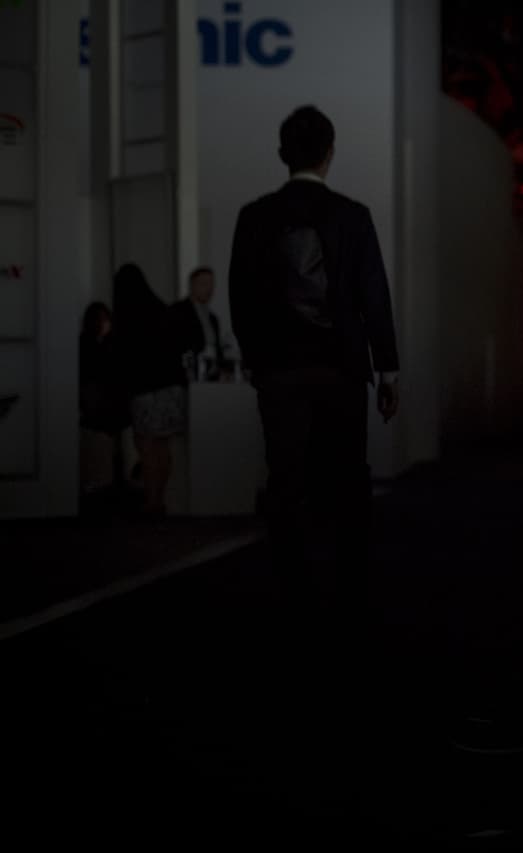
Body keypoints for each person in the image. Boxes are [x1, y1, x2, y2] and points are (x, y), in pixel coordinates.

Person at [229, 104, 400, 630]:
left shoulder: (255, 216)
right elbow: (374, 293)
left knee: (286, 481)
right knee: (348, 479)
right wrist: (386, 369)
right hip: (342, 369)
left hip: (280, 371)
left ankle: (294, 592)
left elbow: (241, 298)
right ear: (329, 153)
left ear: (284, 154)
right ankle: (350, 590)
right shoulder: (353, 216)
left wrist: (258, 360)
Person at [112, 264, 203, 517]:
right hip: (172, 390)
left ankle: (152, 501)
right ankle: (159, 498)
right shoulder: (163, 311)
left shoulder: (127, 319)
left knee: (147, 448)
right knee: (163, 447)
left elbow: (124, 361)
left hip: (145, 391)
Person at [78, 301, 130, 509]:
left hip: (107, 406)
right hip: (98, 407)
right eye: (103, 319)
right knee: (99, 452)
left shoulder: (108, 344)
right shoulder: (91, 345)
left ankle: (105, 488)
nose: (106, 324)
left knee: (104, 452)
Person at [174, 266, 231, 381]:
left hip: (211, 376)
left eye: (211, 284)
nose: (209, 288)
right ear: (192, 285)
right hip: (187, 376)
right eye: (204, 283)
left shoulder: (213, 318)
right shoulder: (178, 312)